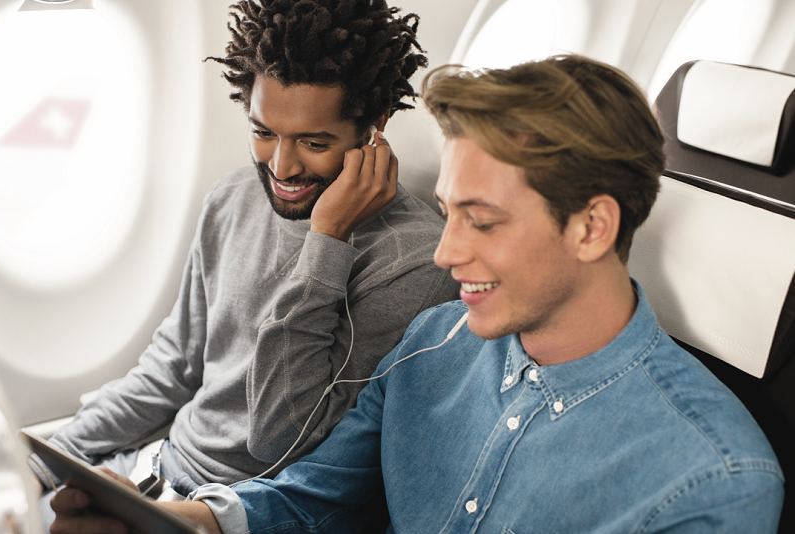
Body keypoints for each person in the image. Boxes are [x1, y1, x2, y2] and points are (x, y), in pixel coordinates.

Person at [49, 54, 785, 533]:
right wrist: (188, 524)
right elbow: (311, 497)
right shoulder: (435, 344)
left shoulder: (714, 483)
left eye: (482, 221)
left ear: (592, 226)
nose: (445, 252)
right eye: (446, 212)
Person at [32, 0, 458, 517]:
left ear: (374, 125)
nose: (281, 165)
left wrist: (327, 241)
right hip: (153, 469)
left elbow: (281, 438)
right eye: (263, 132)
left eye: (313, 141)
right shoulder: (232, 199)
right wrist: (51, 459)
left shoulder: (414, 263)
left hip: (230, 510)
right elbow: (173, 367)